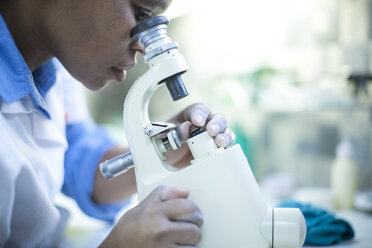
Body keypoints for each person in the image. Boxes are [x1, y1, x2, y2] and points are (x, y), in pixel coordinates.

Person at [0, 0, 234, 247]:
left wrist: (163, 149)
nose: (143, 46)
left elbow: (81, 162)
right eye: (141, 12)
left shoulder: (54, 67)